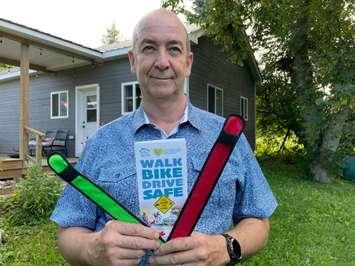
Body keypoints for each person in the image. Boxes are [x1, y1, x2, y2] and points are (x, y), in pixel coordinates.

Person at [51, 8, 277, 266]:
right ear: (132, 60)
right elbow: (68, 231)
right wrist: (92, 249)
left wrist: (225, 247)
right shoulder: (101, 142)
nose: (161, 62)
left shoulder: (228, 138)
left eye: (173, 49)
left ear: (188, 63)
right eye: (149, 48)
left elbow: (258, 220)